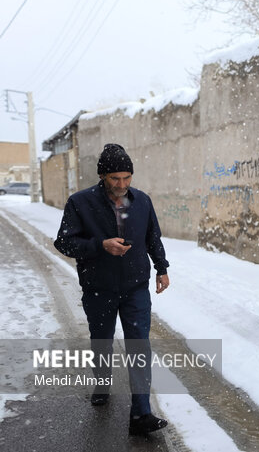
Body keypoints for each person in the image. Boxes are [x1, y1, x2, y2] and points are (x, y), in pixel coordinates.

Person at [54, 143, 169, 435]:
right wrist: (100, 246)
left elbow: (152, 236)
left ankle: (141, 415)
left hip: (135, 287)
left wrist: (162, 268)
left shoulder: (142, 201)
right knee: (102, 340)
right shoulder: (80, 202)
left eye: (127, 177)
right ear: (103, 176)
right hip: (99, 287)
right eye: (116, 178)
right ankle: (102, 383)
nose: (122, 184)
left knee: (139, 346)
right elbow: (64, 242)